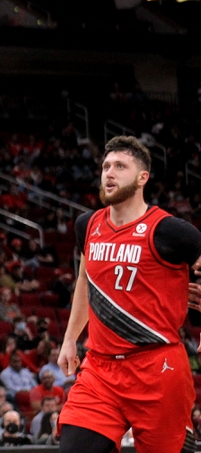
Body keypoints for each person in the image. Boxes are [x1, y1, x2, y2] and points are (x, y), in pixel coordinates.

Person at [58, 136, 201, 453]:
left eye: (120, 166)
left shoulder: (171, 231)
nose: (109, 173)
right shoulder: (88, 224)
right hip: (100, 369)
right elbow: (85, 280)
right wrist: (70, 338)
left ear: (142, 178)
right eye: (106, 166)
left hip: (157, 367)